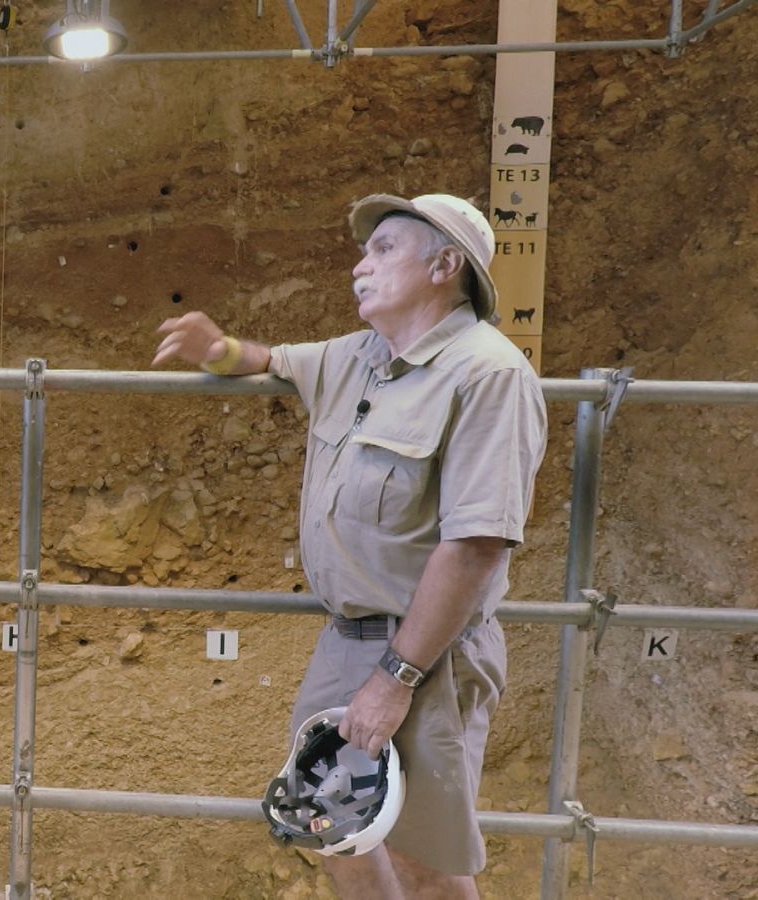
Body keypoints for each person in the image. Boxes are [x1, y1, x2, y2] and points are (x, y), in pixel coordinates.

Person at [153, 193, 547, 898]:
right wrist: (218, 350)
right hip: (346, 641)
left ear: (445, 264)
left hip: (427, 654)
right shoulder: (360, 358)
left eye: (384, 250)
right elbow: (267, 359)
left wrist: (395, 680)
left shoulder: (488, 374)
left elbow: (475, 547)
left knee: (425, 859)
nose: (360, 267)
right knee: (337, 831)